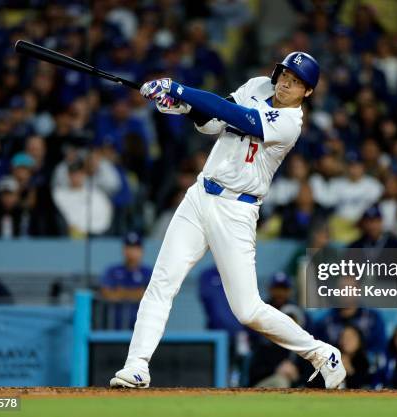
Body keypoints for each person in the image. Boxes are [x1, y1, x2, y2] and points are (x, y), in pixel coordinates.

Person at [110, 52, 346, 389]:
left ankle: (322, 354)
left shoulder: (291, 122)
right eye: (284, 75)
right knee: (162, 282)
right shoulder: (258, 84)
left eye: (296, 82)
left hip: (237, 209)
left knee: (247, 310)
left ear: (307, 92)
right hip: (199, 195)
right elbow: (213, 122)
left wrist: (180, 90)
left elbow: (238, 117)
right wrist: (181, 106)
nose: (285, 84)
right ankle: (136, 367)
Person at [99, 232, 152, 329]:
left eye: (135, 247)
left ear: (141, 250)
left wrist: (121, 292)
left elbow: (149, 297)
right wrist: (136, 293)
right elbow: (106, 294)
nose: (131, 251)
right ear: (123, 249)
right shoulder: (112, 270)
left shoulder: (148, 272)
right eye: (129, 247)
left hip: (141, 329)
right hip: (113, 329)